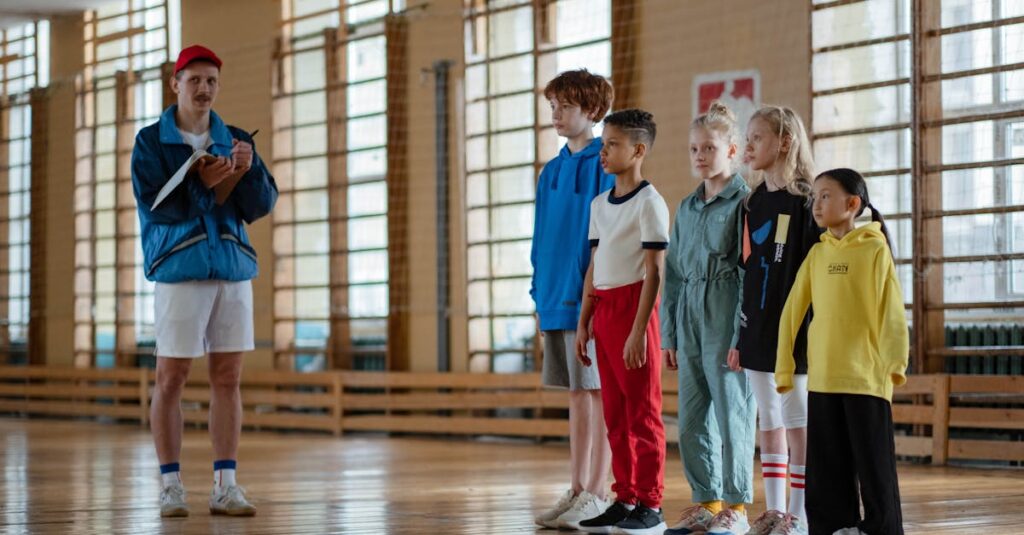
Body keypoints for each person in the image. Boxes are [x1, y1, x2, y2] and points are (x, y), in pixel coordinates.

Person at [131, 44, 277, 518]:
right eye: (194, 79)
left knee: (228, 378)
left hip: (232, 270)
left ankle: (226, 484)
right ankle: (170, 485)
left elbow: (259, 206)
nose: (204, 88)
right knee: (171, 377)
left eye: (211, 80)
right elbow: (159, 207)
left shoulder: (232, 138)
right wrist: (204, 185)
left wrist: (248, 172)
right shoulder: (151, 142)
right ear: (175, 83)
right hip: (179, 270)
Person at [776, 168, 908, 535]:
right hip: (823, 378)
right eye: (814, 196)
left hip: (867, 378)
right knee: (827, 465)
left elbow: (892, 310)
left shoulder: (874, 249)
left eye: (826, 196)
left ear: (852, 204)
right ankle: (833, 527)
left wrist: (894, 363)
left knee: (873, 463)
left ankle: (881, 528)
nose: (816, 204)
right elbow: (792, 312)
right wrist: (784, 367)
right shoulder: (817, 255)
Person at [661, 102, 755, 535]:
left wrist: (742, 334)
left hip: (724, 314)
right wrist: (671, 335)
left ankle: (736, 505)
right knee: (693, 417)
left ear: (732, 150)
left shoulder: (745, 204)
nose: (700, 156)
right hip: (689, 319)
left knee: (733, 412)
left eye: (709, 148)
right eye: (693, 149)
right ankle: (707, 501)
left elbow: (748, 274)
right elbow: (675, 275)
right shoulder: (685, 208)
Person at [575, 109, 669, 535]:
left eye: (612, 144)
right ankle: (624, 495)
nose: (603, 151)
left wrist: (637, 330)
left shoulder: (650, 203)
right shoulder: (599, 205)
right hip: (604, 311)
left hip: (635, 310)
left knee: (642, 414)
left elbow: (655, 271)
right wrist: (584, 319)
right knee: (614, 413)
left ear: (638, 150)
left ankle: (651, 503)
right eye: (603, 143)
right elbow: (595, 265)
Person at [531, 69, 617, 531]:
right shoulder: (552, 170)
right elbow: (541, 235)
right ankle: (577, 486)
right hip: (554, 299)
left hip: (590, 300)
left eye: (566, 106)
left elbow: (606, 235)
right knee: (576, 395)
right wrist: (538, 290)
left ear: (592, 110)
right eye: (553, 107)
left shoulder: (603, 163)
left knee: (597, 393)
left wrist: (593, 291)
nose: (557, 115)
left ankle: (599, 492)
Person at [734, 105, 818, 535]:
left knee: (796, 419)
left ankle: (799, 515)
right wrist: (739, 335)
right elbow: (747, 271)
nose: (748, 146)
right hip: (757, 330)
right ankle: (774, 509)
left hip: (796, 335)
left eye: (757, 138)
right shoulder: (752, 203)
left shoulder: (807, 201)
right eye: (746, 138)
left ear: (784, 142)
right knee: (768, 419)